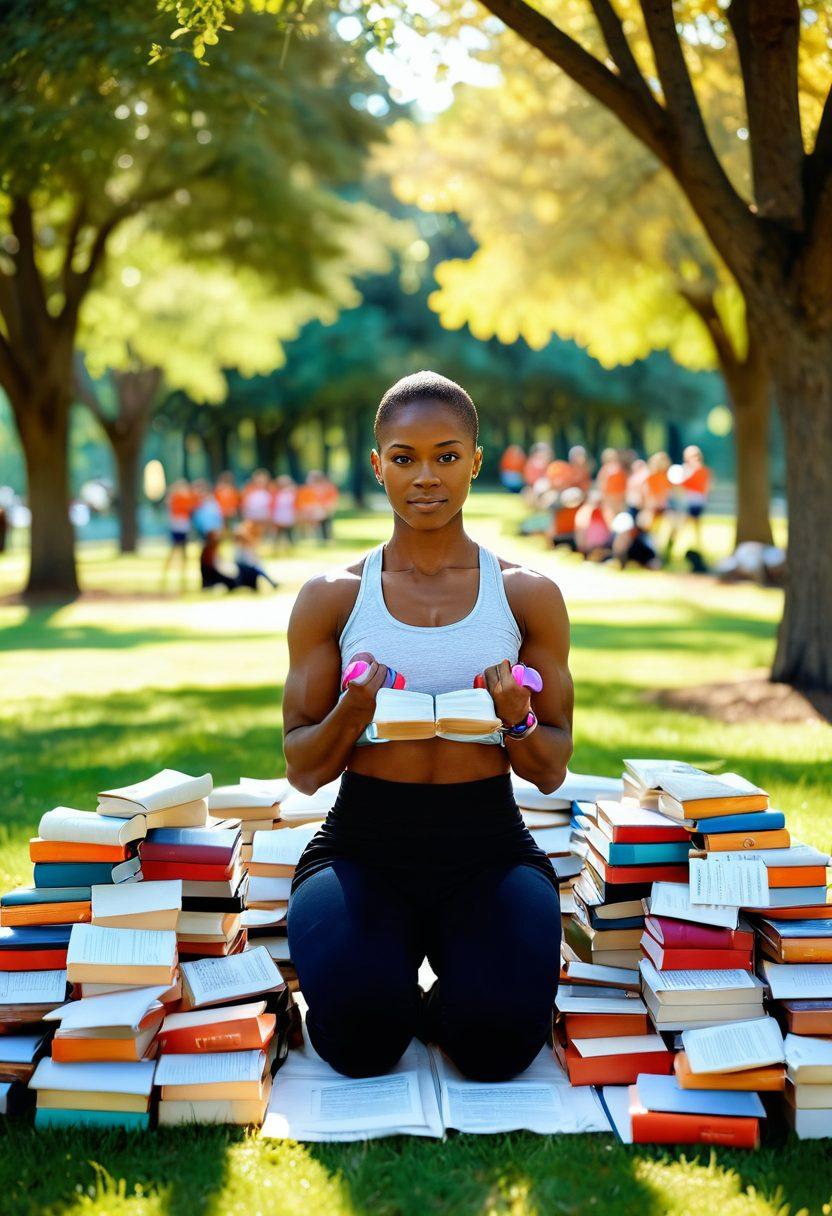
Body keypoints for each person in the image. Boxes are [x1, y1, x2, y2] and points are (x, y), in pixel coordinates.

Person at [284, 370, 573, 1082]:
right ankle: (382, 986)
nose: (426, 477)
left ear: (476, 462)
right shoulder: (332, 599)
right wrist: (354, 710)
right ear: (377, 465)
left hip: (489, 847)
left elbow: (549, 768)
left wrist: (518, 717)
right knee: (357, 1042)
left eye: (447, 456)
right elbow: (304, 769)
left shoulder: (528, 595)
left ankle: (454, 997)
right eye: (404, 458)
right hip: (361, 848)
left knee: (499, 1046)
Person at [161, 478, 194, 592]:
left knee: (182, 554)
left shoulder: (178, 498)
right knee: (175, 552)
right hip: (178, 528)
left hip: (182, 528)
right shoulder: (176, 498)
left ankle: (182, 577)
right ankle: (167, 575)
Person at [233, 522, 278, 590]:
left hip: (248, 565)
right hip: (244, 566)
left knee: (258, 568)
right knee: (258, 569)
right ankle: (272, 583)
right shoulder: (241, 545)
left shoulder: (247, 546)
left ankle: (272, 583)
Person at [271, 475, 297, 548]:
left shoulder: (292, 492)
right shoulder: (276, 493)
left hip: (288, 513)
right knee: (279, 531)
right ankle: (276, 545)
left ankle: (291, 544)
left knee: (289, 530)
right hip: (279, 514)